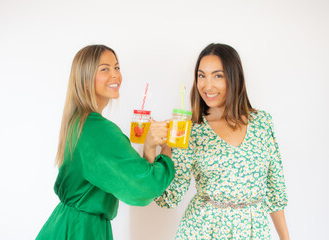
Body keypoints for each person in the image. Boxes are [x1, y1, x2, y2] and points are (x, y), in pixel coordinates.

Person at [36, 45, 175, 240]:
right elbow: (143, 187)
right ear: (85, 77)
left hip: (66, 224)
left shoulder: (80, 122)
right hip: (81, 231)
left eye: (117, 68)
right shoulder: (97, 130)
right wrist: (167, 151)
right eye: (104, 69)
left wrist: (149, 145)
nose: (115, 75)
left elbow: (133, 180)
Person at [155, 43, 289, 239]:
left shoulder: (262, 122)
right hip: (203, 230)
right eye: (202, 75)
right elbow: (170, 198)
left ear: (234, 77)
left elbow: (275, 190)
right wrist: (160, 148)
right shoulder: (191, 130)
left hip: (254, 231)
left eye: (218, 75)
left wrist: (285, 237)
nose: (207, 86)